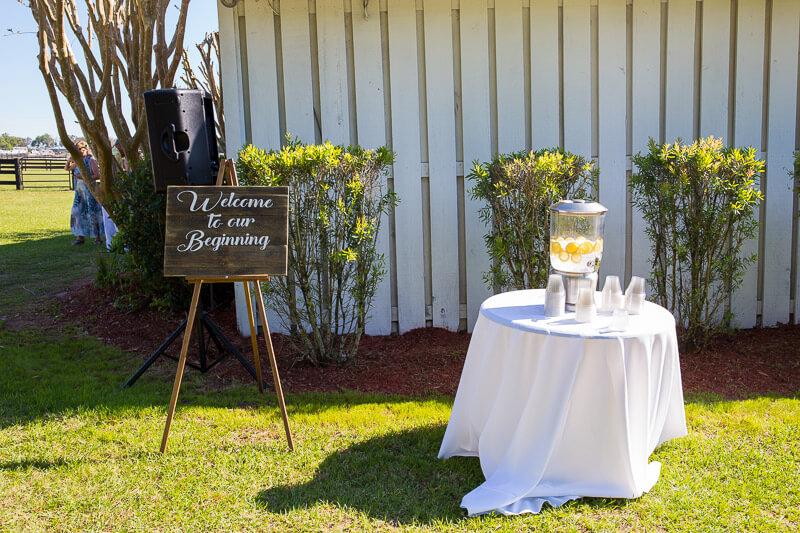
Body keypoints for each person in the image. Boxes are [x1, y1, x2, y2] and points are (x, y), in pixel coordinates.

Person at [66, 142, 104, 246]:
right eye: (77, 150)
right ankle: (80, 237)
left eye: (81, 149)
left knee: (92, 214)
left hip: (90, 192)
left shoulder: (90, 160)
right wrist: (70, 160)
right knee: (77, 213)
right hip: (80, 193)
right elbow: (67, 168)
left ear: (86, 149)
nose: (79, 151)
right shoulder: (78, 162)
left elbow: (97, 175)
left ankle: (97, 237)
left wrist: (82, 177)